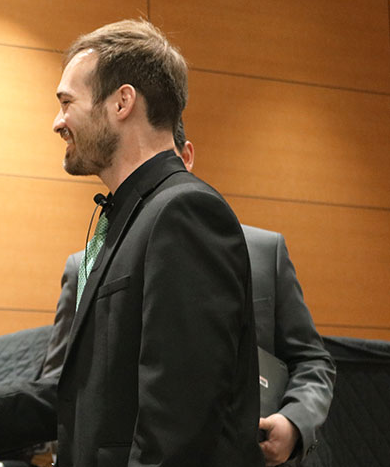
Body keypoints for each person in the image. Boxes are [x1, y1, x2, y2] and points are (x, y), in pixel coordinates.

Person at [0, 19, 263, 466]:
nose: (57, 122)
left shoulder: (184, 214)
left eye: (67, 102)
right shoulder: (127, 217)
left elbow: (178, 428)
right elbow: (91, 394)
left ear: (122, 102)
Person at [41, 121, 335, 466]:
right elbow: (63, 384)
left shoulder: (265, 252)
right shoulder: (85, 266)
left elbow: (313, 360)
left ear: (187, 157)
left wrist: (295, 422)